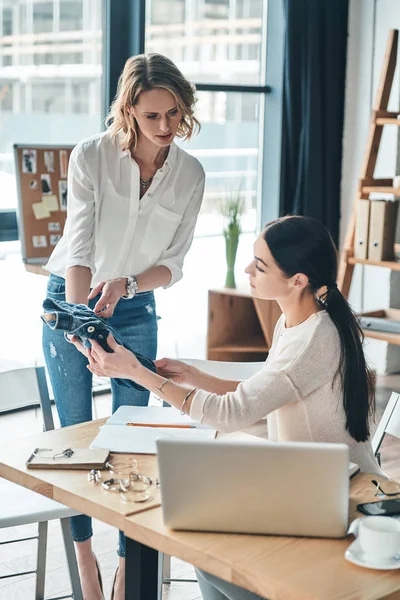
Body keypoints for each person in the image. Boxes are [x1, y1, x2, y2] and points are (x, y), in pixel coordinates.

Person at [72, 215, 383, 600]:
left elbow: (232, 413)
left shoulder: (315, 337)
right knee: (207, 552)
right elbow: (265, 395)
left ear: (297, 280)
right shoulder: (296, 322)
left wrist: (137, 373)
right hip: (312, 484)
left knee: (213, 555)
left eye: (261, 265)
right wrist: (193, 376)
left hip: (347, 499)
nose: (248, 269)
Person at [42, 53, 205, 600]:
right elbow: (81, 244)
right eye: (152, 115)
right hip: (70, 298)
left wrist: (125, 286)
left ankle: (125, 563)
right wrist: (78, 316)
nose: (164, 127)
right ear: (129, 110)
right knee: (75, 434)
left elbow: (174, 263)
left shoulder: (191, 174)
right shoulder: (91, 155)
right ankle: (83, 558)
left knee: (134, 436)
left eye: (173, 114)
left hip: (134, 306)